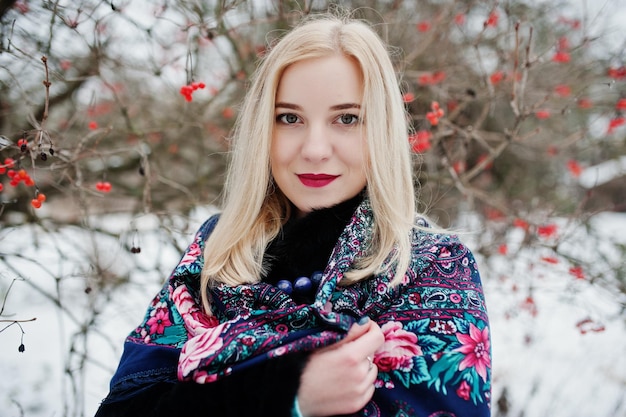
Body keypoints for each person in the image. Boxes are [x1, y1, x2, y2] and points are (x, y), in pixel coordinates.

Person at [95, 13, 491, 417]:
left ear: (381, 129)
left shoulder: (434, 265)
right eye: (289, 118)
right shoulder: (217, 250)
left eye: (347, 118)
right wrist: (287, 396)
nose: (315, 149)